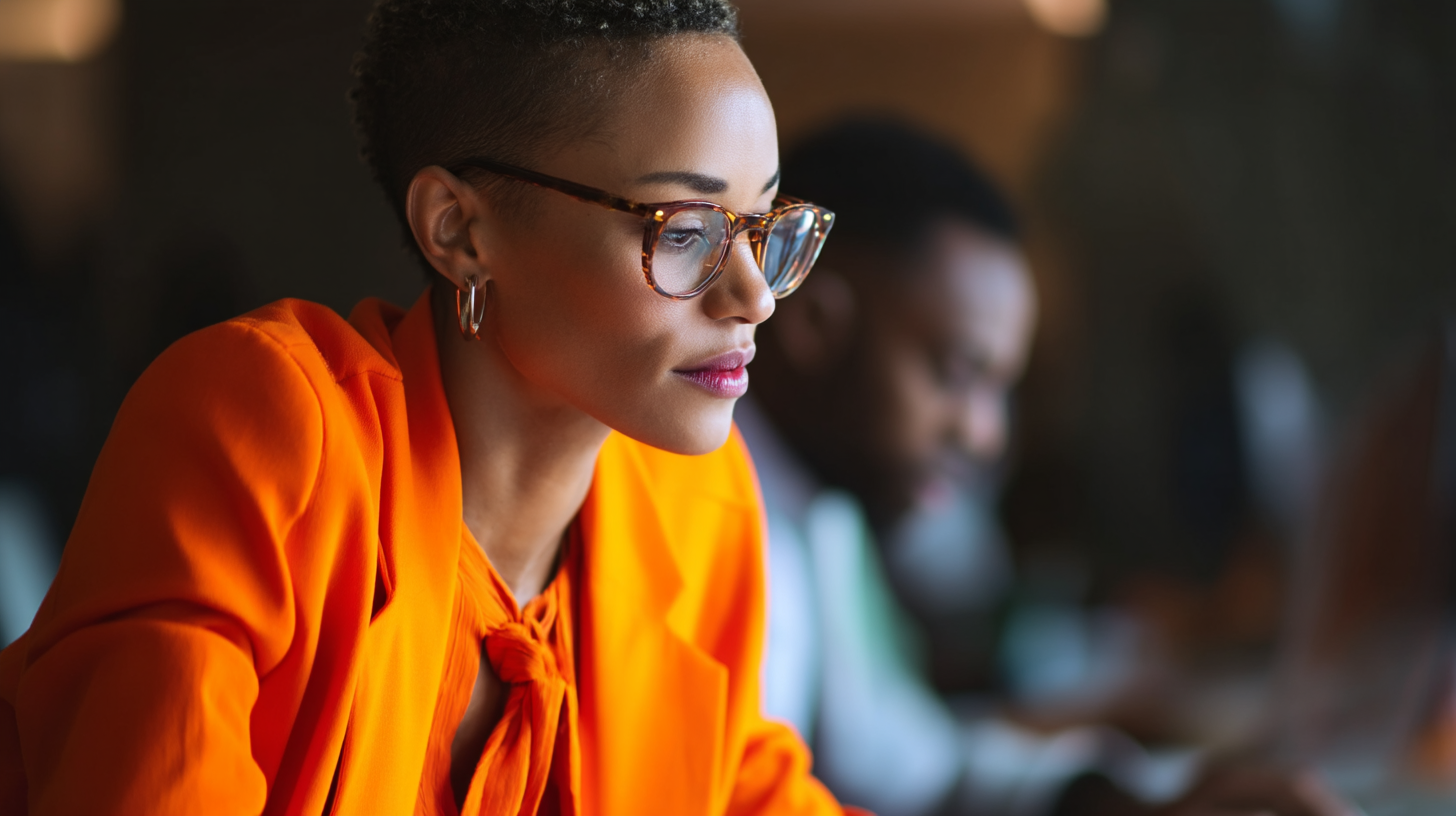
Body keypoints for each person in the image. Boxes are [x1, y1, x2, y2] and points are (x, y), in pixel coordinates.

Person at [0, 2, 847, 814]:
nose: (754, 296)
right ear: (459, 231)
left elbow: (742, 782)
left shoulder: (696, 505)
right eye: (687, 229)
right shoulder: (268, 433)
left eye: (764, 224)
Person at [741, 118, 1355, 816]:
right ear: (815, 326)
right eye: (959, 376)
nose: (985, 436)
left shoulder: (818, 512)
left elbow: (914, 770)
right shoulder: (689, 507)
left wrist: (1134, 805)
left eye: (1003, 391)